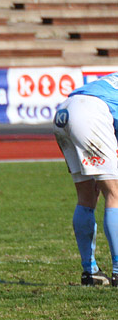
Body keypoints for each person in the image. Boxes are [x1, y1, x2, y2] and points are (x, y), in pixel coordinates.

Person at [53, 72, 118, 287]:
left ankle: (90, 272)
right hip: (91, 113)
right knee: (114, 193)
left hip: (64, 111)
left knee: (87, 196)